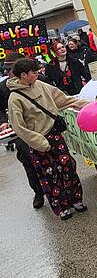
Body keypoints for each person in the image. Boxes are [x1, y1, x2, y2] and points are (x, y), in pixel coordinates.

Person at [7, 58, 89, 220]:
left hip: (54, 135)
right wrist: (38, 142)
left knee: (68, 166)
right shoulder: (15, 98)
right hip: (38, 141)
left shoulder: (41, 85)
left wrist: (85, 104)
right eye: (34, 72)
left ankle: (76, 200)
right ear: (24, 75)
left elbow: (62, 100)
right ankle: (62, 207)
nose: (38, 74)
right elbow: (19, 127)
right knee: (50, 175)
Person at [0, 54, 45, 209]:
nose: (8, 73)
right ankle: (38, 192)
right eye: (6, 70)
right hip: (20, 132)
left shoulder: (39, 81)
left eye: (10, 70)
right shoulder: (3, 87)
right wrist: (4, 122)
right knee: (28, 162)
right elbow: (0, 109)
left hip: (43, 128)